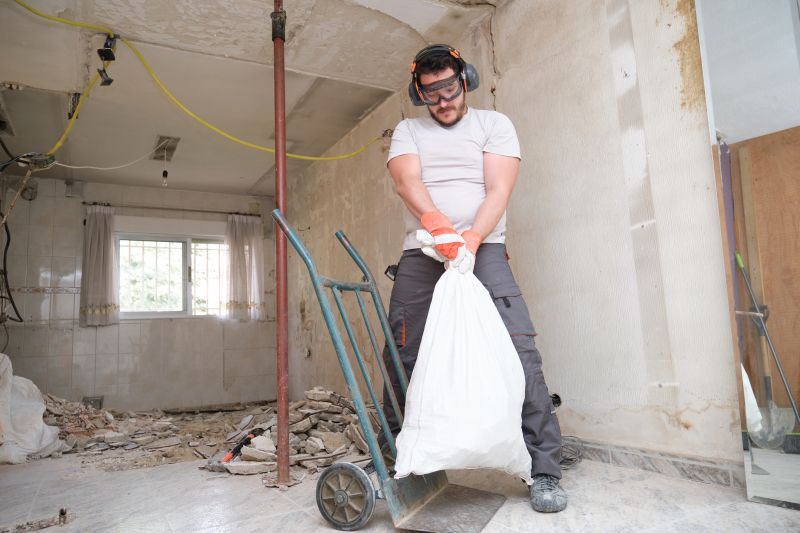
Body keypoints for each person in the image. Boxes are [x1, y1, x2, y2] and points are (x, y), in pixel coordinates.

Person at [380, 44, 567, 513]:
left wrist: (470, 236)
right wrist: (438, 226)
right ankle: (391, 461)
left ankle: (544, 470)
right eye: (431, 94)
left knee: (520, 347)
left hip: (483, 250)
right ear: (418, 94)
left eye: (449, 88)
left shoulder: (493, 125)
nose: (443, 101)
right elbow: (408, 183)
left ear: (465, 80)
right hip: (423, 252)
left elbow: (499, 188)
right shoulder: (407, 130)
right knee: (402, 349)